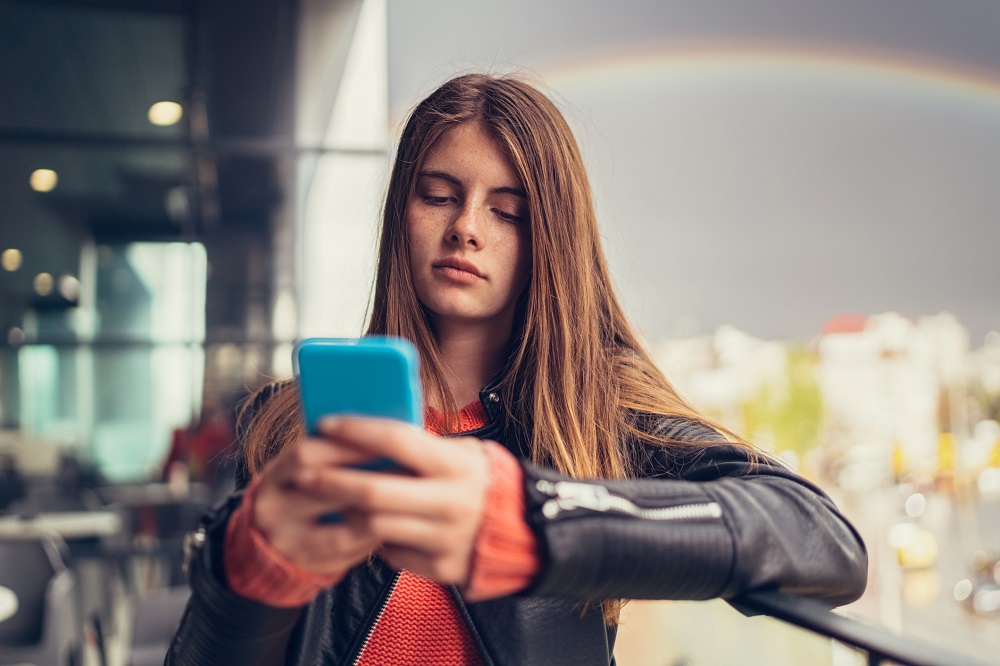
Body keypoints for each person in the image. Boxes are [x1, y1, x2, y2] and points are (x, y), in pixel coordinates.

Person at [167, 73, 867, 665]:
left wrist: (534, 517)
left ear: (550, 241)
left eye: (507, 211)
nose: (466, 226)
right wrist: (246, 568)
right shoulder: (286, 426)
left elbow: (825, 541)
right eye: (438, 195)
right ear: (400, 216)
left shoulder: (600, 416)